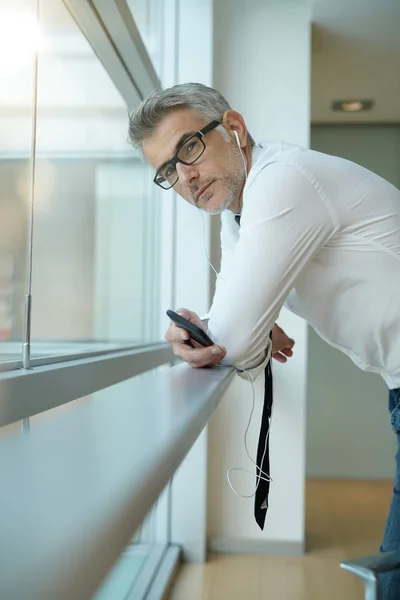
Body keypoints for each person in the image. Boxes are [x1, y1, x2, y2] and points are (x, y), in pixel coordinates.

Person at [128, 82, 400, 599]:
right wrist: (199, 325)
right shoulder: (239, 218)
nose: (183, 177)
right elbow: (231, 326)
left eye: (188, 148)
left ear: (234, 127)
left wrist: (235, 325)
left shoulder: (283, 181)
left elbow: (233, 340)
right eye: (166, 171)